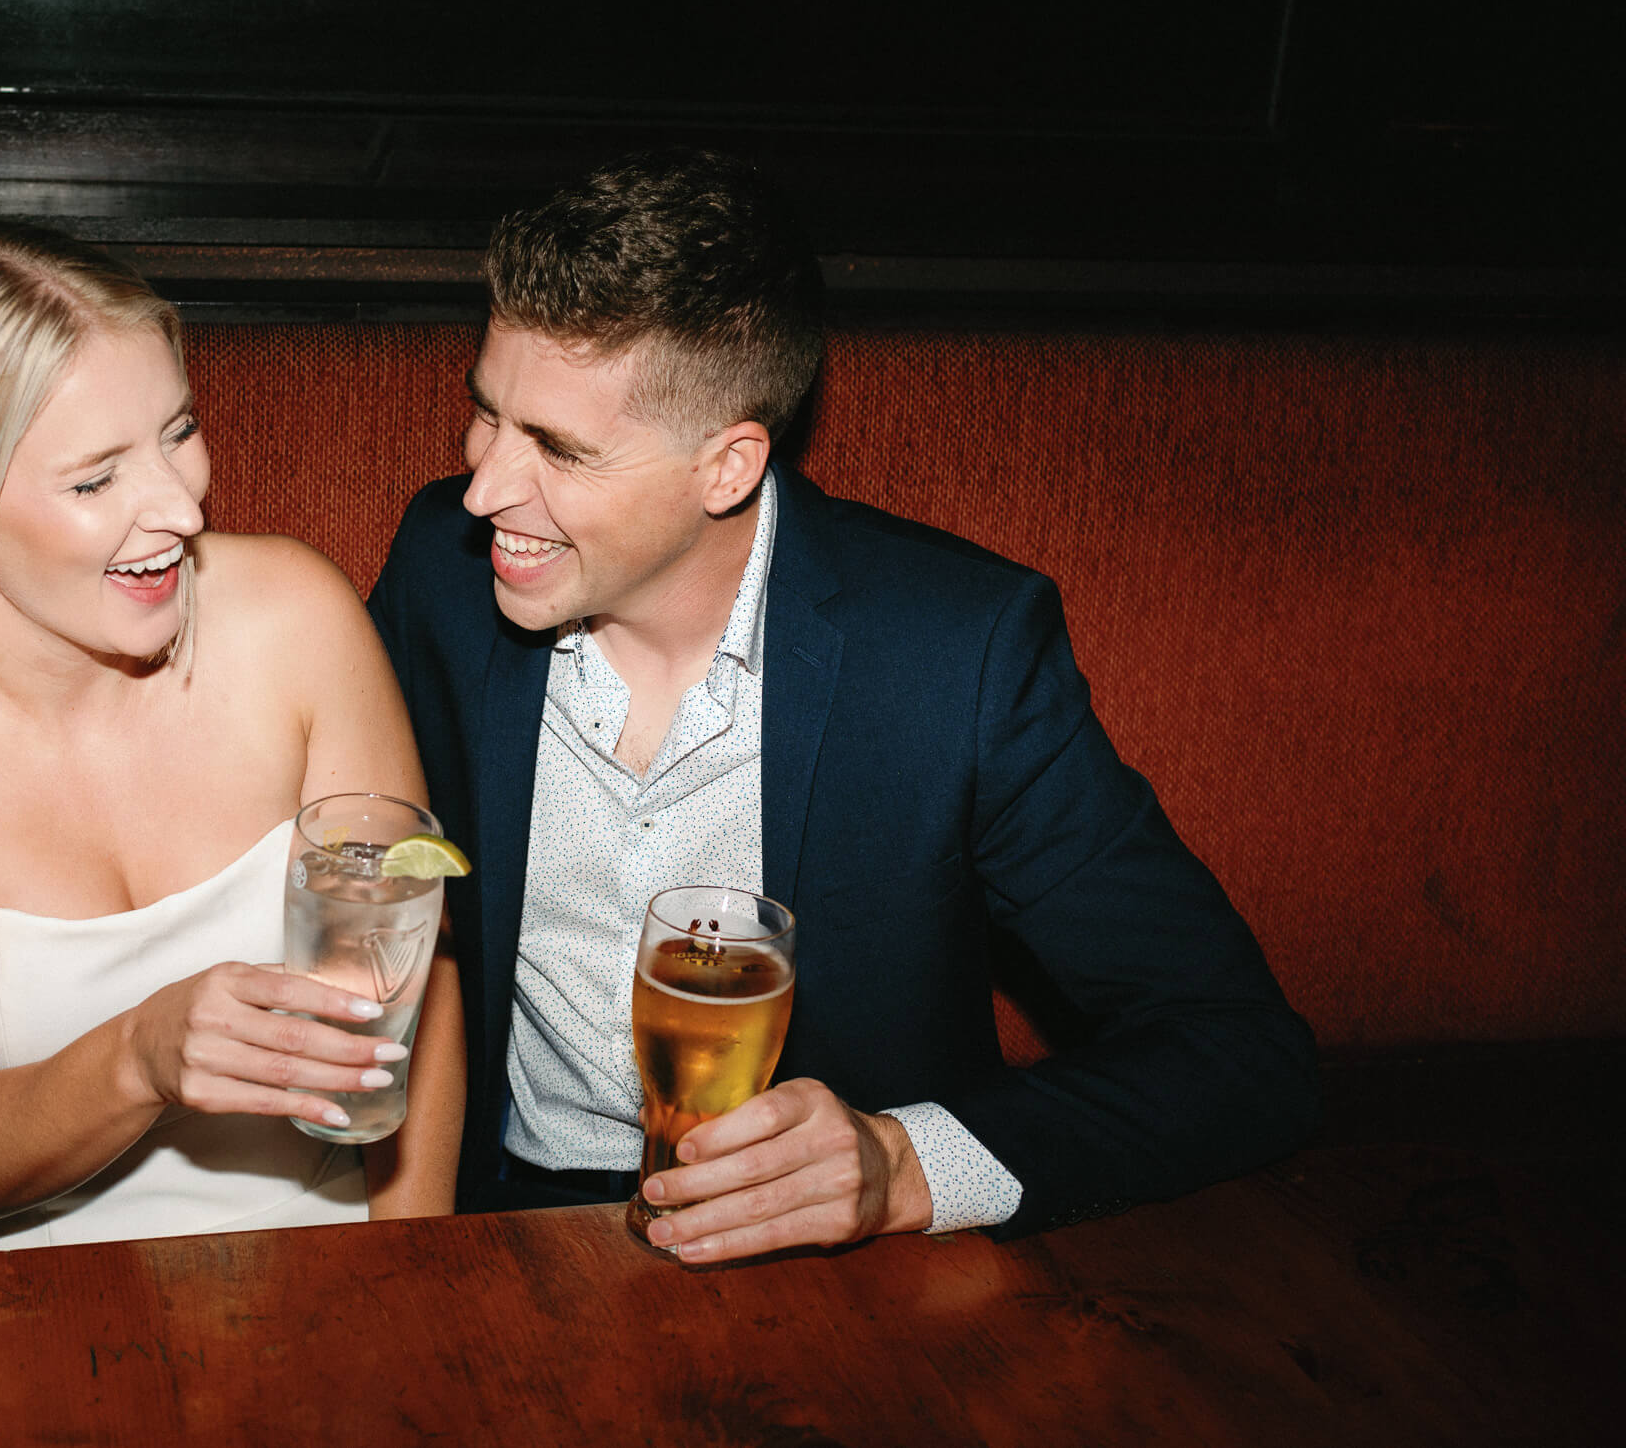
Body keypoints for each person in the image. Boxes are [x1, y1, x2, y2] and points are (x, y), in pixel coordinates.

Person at [368, 150, 1316, 1262]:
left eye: (560, 451)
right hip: (503, 1221)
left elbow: (1242, 1050)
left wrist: (898, 1167)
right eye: (487, 414)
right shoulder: (441, 572)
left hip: (833, 1267)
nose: (484, 488)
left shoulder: (956, 656)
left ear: (728, 468)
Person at [0, 221, 462, 1258]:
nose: (180, 507)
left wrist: (409, 1272)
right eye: (93, 479)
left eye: (178, 430)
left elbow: (416, 972)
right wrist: (138, 1058)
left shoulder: (298, 620)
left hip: (324, 1254)